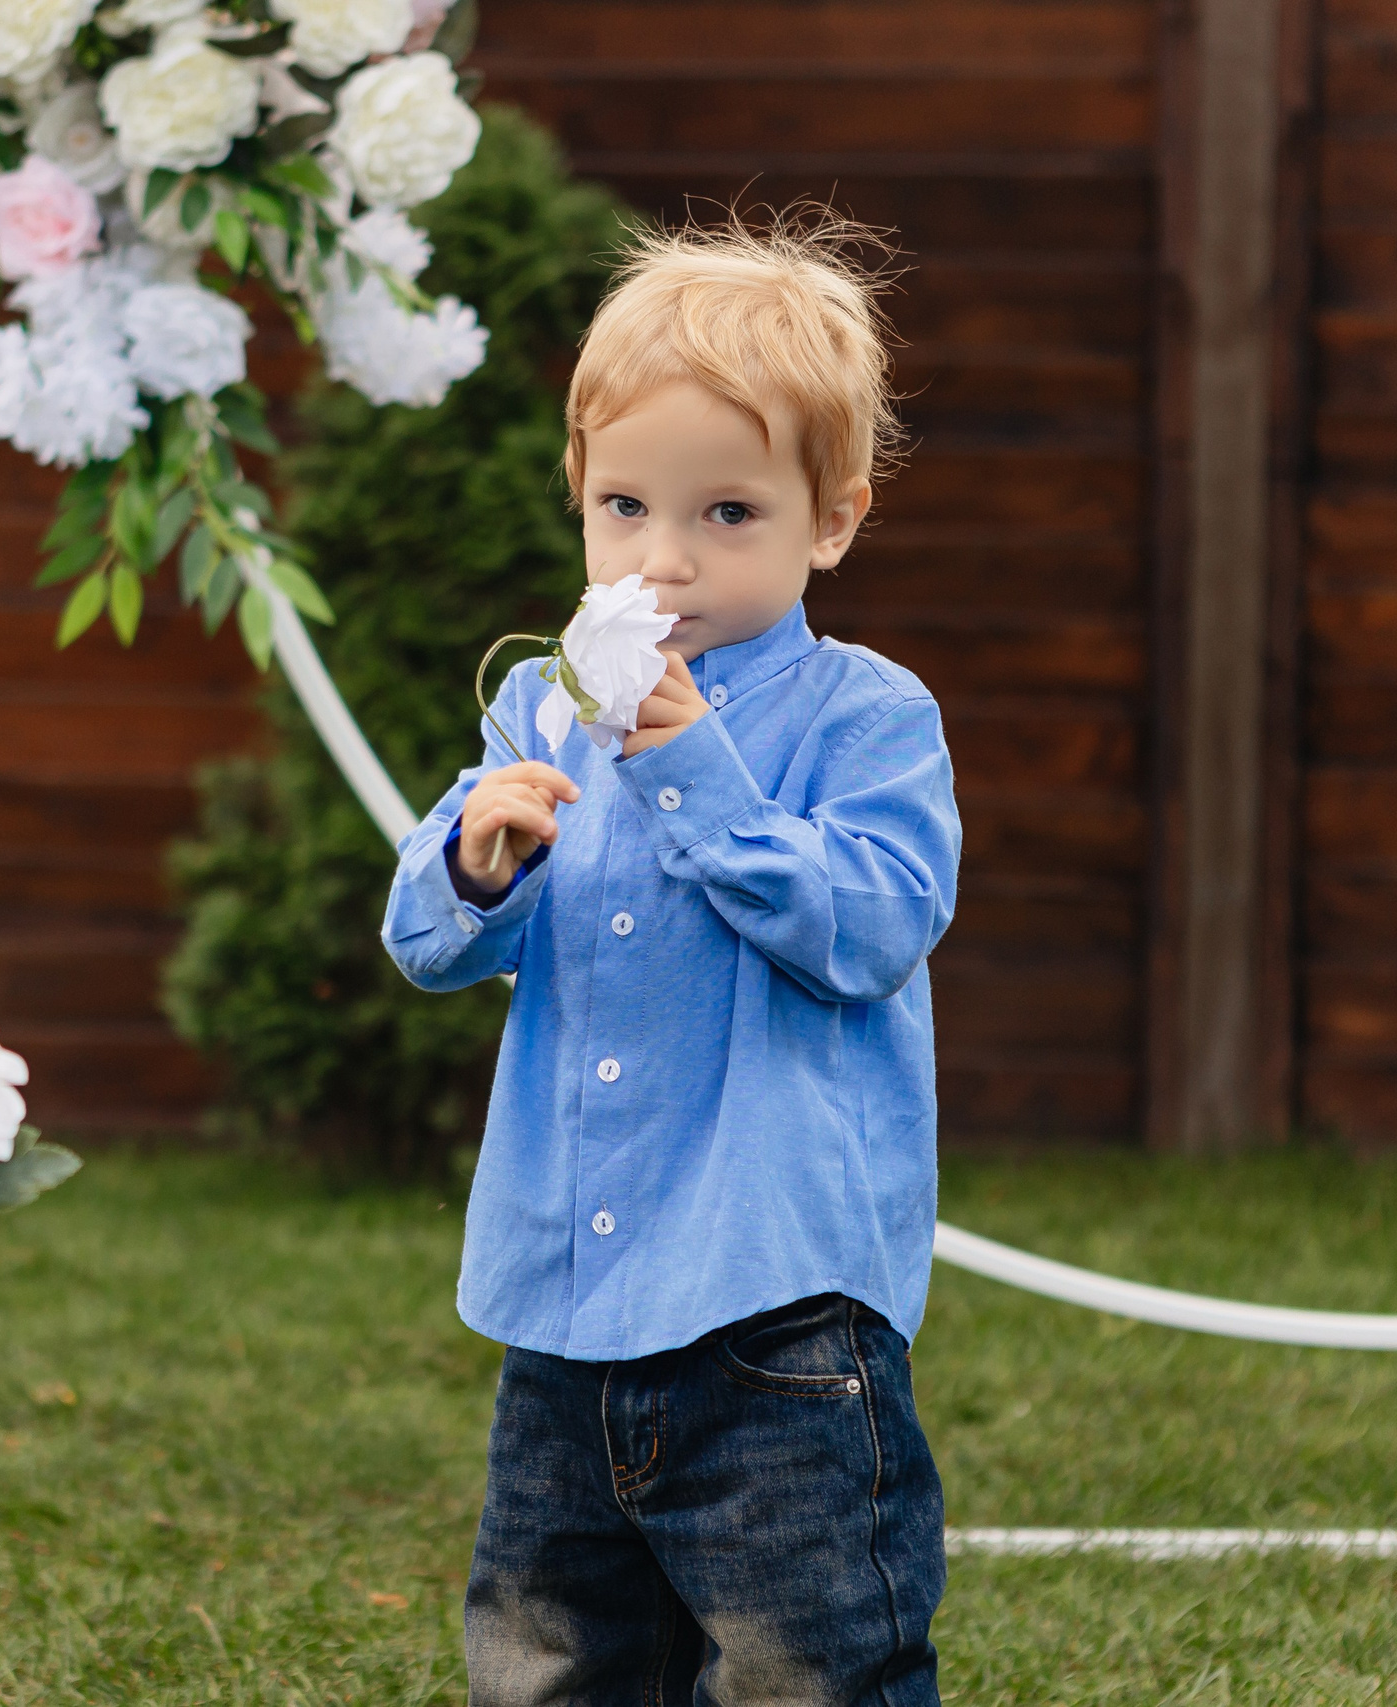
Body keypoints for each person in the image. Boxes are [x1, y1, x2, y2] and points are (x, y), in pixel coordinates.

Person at [383, 217, 961, 1706]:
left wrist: (700, 772)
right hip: (566, 1306)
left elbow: (875, 927)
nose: (664, 558)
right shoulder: (539, 701)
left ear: (831, 522)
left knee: (809, 1662)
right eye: (627, 504)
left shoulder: (867, 716)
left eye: (726, 515)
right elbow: (432, 945)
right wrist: (476, 858)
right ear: (578, 492)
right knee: (550, 1655)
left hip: (776, 1312)